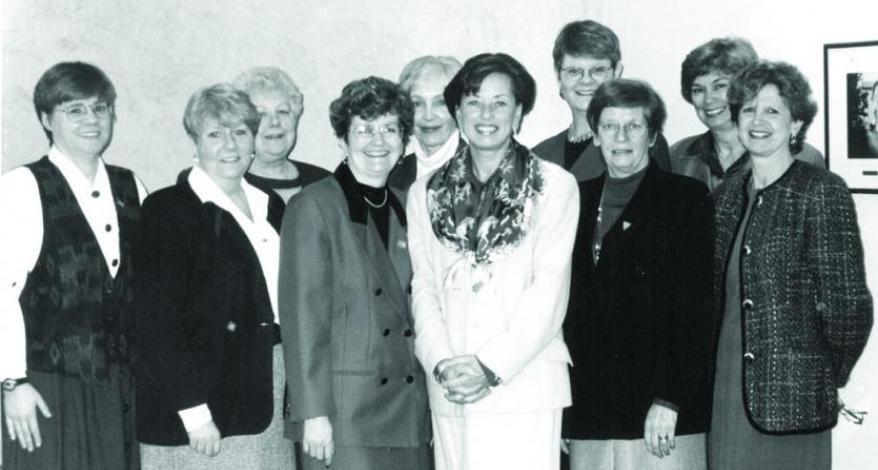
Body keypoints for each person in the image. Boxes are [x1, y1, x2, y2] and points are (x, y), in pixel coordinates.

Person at [407, 52, 579, 470]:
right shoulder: (426, 191)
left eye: (500, 103)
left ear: (519, 113)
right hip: (452, 387)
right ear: (457, 112)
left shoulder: (553, 185)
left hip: (524, 384)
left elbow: (549, 292)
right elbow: (424, 284)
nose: (486, 114)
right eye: (473, 101)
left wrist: (489, 367)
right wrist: (442, 362)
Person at [710, 60, 873, 470]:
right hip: (725, 390)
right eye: (748, 109)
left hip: (793, 398)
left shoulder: (820, 190)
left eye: (772, 110)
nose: (758, 120)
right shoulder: (726, 195)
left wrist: (820, 372)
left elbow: (849, 305)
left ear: (796, 124)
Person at [136, 84, 292, 469]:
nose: (230, 145)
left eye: (240, 132)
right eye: (215, 134)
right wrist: (193, 412)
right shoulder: (167, 210)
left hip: (265, 385)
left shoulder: (270, 205)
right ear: (194, 142)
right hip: (200, 400)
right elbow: (157, 322)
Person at [279, 76, 431, 470]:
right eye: (364, 129)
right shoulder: (313, 205)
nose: (377, 141)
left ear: (404, 139)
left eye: (389, 129)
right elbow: (302, 319)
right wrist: (313, 415)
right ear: (342, 140)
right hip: (343, 414)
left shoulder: (408, 204)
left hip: (408, 408)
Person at [0, 61, 146, 470]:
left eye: (100, 109)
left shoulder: (130, 185)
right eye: (75, 110)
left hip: (119, 388)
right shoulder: (22, 187)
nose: (91, 120)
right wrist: (13, 382)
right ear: (46, 119)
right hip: (49, 387)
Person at [563, 79, 714, 470]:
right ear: (595, 135)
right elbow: (566, 314)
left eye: (634, 126)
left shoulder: (686, 199)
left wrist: (669, 399)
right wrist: (565, 411)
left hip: (661, 413)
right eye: (610, 126)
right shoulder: (571, 199)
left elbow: (696, 312)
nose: (622, 136)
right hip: (591, 411)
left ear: (652, 135)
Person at [670, 38, 824, 191]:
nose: (709, 99)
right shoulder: (675, 156)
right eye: (698, 90)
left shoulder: (803, 157)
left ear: (746, 90)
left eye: (720, 86)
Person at [533, 19, 670, 181]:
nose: (586, 81)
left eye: (598, 70)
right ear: (559, 77)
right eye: (573, 71)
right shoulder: (539, 155)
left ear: (616, 73)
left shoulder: (641, 140)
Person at [234, 66, 330, 202]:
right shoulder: (228, 187)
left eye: (283, 112)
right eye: (261, 114)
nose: (274, 122)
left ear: (296, 115)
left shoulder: (324, 182)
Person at [389, 55, 464, 190]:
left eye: (440, 102)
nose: (428, 116)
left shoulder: (483, 172)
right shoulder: (391, 174)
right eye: (417, 103)